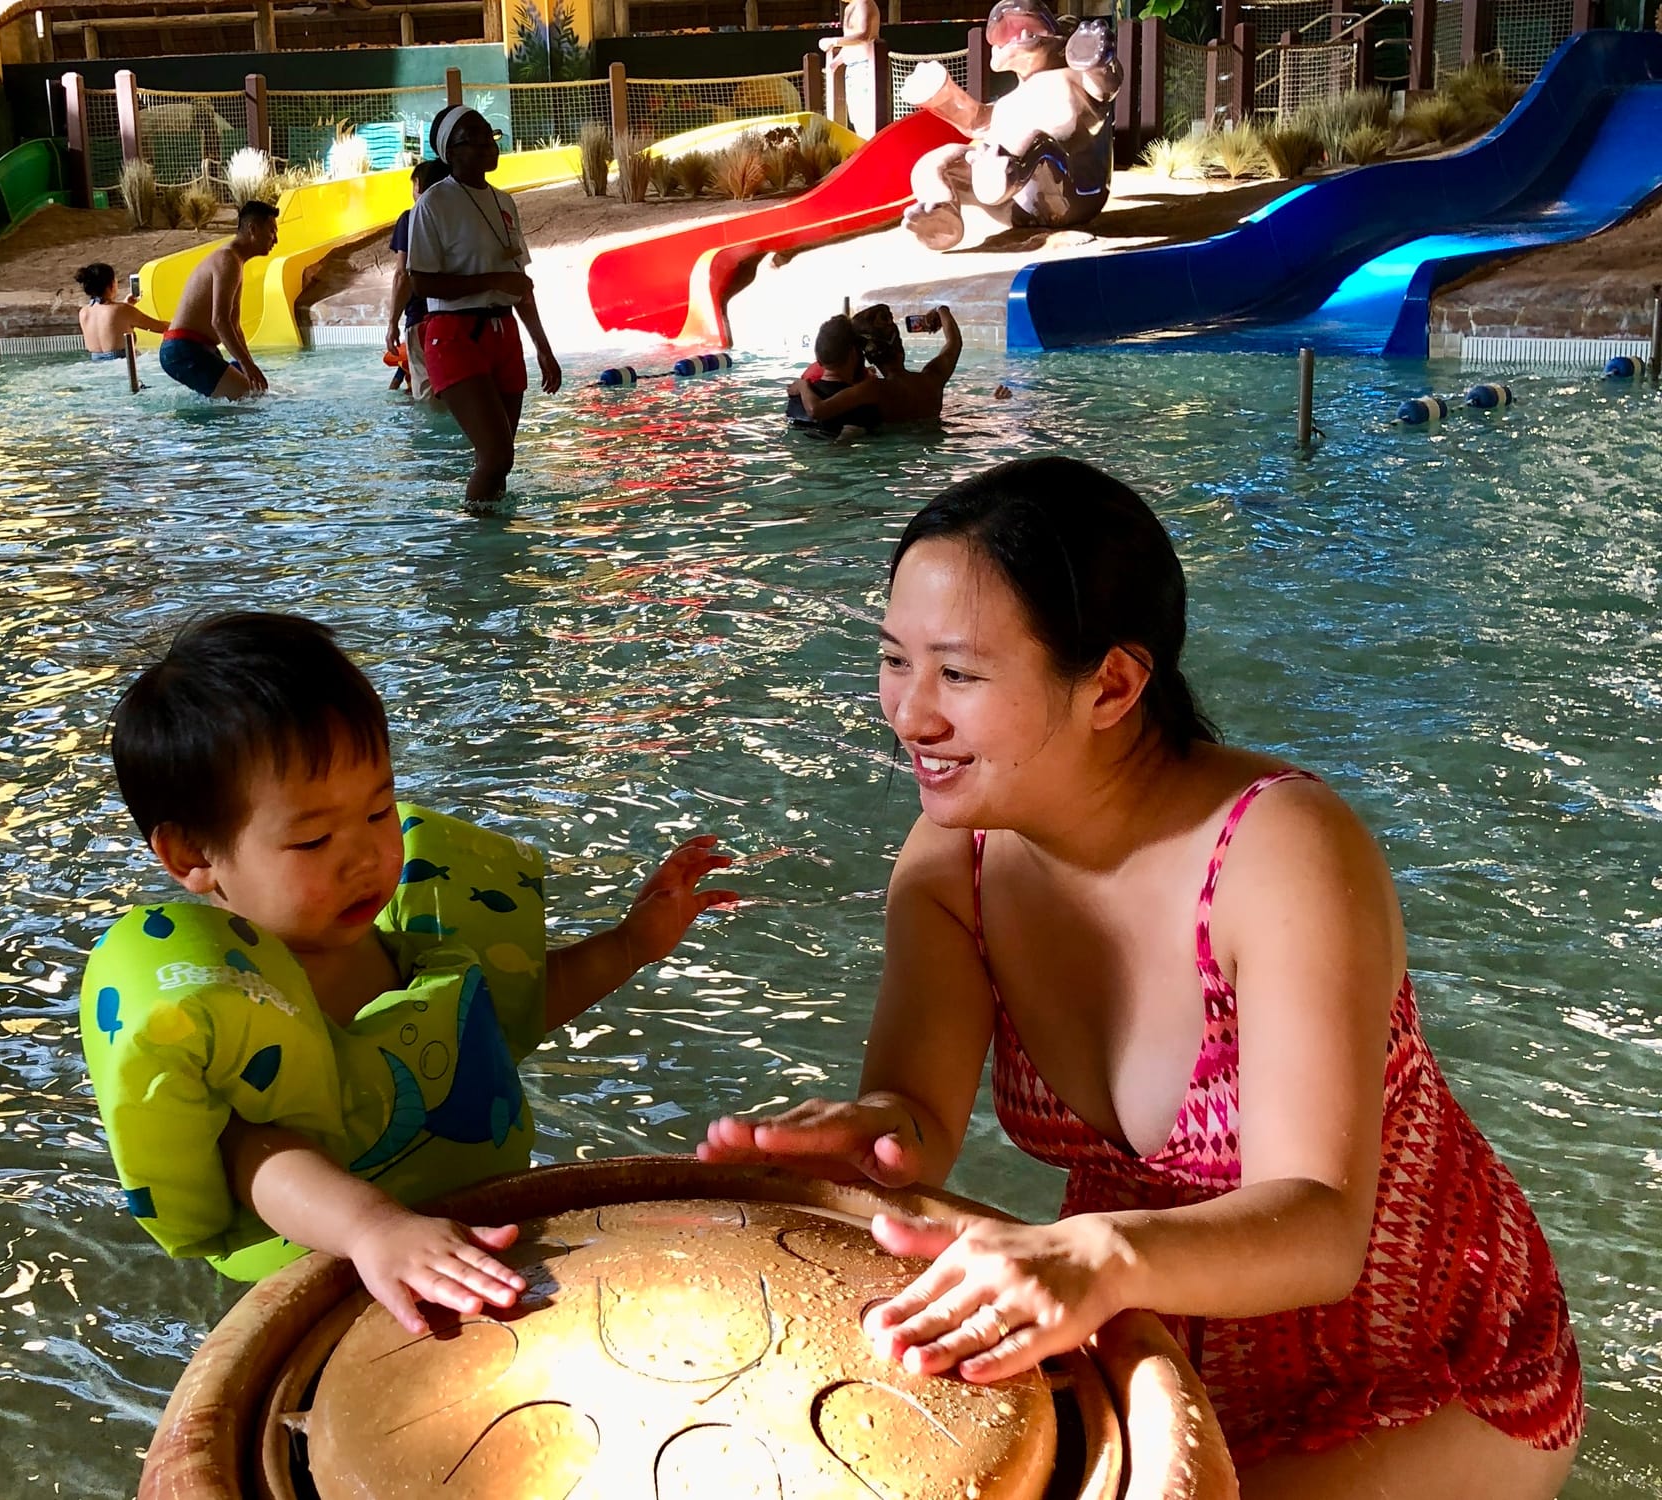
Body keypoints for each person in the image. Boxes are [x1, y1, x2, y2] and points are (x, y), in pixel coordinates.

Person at [699, 457, 1582, 1498]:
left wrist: (1095, 1258)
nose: (909, 713)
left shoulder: (1278, 852)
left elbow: (1317, 1226)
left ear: (1111, 685)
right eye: (894, 661)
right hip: (1152, 1342)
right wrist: (870, 1136)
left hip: (1424, 1371)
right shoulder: (955, 865)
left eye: (959, 674)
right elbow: (916, 1117)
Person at [81, 612, 734, 1334]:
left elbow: (513, 1009)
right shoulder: (232, 1013)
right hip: (330, 1295)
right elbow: (258, 1159)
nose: (365, 856)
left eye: (380, 809)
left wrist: (631, 942)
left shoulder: (413, 944)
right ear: (190, 858)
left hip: (475, 1247)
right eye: (314, 838)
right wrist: (371, 1229)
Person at [408, 106, 562, 505]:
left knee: (499, 462)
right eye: (472, 138)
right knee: (497, 454)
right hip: (455, 333)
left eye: (488, 135)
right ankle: (475, 549)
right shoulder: (434, 204)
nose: (486, 144)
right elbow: (420, 280)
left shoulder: (504, 202)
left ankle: (497, 546)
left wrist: (543, 348)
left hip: (503, 332)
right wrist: (493, 280)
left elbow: (521, 285)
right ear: (450, 153)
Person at [788, 303, 980, 429]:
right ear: (900, 345)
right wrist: (941, 310)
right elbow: (954, 343)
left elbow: (818, 410)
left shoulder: (874, 390)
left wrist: (803, 385)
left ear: (868, 356)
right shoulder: (933, 378)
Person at [158, 200, 278, 401]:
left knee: (258, 393)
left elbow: (235, 326)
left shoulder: (236, 262)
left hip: (199, 349)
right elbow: (219, 321)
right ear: (253, 229)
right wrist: (247, 365)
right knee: (249, 399)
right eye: (272, 231)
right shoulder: (227, 260)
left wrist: (249, 364)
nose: (276, 239)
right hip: (183, 350)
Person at [387, 158, 452, 402]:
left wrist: (392, 323)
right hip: (458, 317)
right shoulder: (458, 220)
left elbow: (403, 274)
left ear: (420, 186)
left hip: (421, 319)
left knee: (428, 396)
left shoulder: (411, 218)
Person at [787, 313, 882, 440]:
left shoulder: (796, 400)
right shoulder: (864, 405)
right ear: (854, 354)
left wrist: (802, 385)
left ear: (818, 359)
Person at [75, 262, 168, 360]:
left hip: (96, 365)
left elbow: (112, 323)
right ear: (111, 284)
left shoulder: (84, 312)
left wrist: (127, 305)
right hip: (124, 366)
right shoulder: (122, 310)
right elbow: (161, 327)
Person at [821, 0, 881, 137]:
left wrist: (834, 41)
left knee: (867, 122)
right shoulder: (849, 8)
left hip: (865, 68)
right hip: (852, 70)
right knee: (856, 120)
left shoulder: (864, 3)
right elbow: (851, 43)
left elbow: (864, 36)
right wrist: (836, 62)